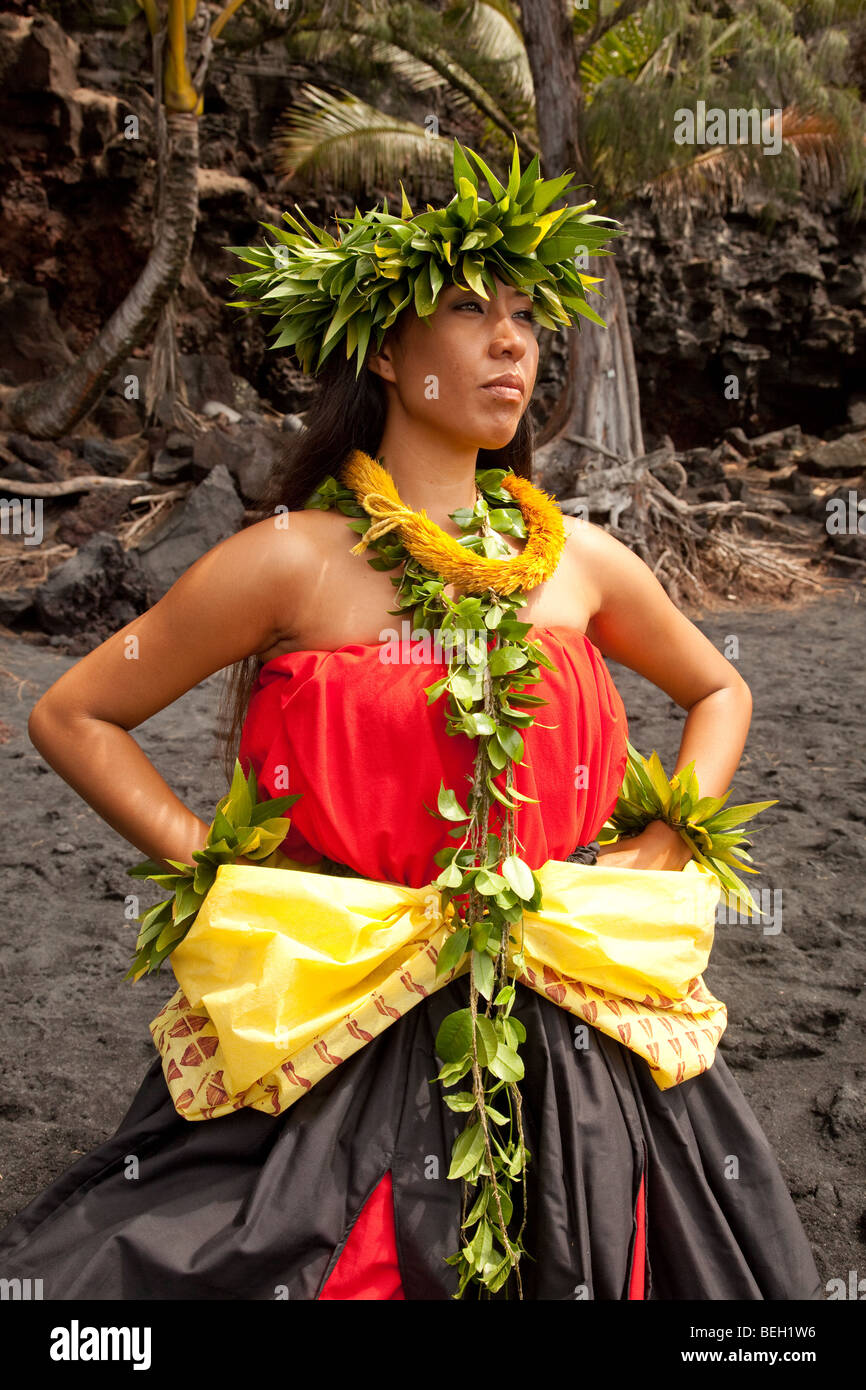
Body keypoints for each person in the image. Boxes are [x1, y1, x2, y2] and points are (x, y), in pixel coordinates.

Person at [0, 138, 822, 1301]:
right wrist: (226, 878)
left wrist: (673, 833)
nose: (511, 342)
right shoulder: (286, 561)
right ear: (385, 352)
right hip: (345, 1004)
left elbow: (719, 686)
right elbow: (76, 711)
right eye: (468, 311)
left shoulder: (580, 560)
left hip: (571, 1013)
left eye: (527, 318)